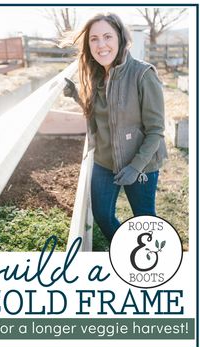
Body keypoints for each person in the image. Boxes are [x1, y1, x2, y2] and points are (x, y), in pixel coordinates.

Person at [64, 13, 167, 242]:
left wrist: (135, 167)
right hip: (104, 161)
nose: (101, 45)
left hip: (141, 164)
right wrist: (77, 96)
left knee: (145, 220)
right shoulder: (97, 75)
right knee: (102, 215)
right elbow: (101, 114)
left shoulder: (143, 74)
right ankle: (127, 248)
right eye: (94, 39)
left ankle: (151, 263)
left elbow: (156, 130)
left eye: (107, 36)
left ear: (120, 38)